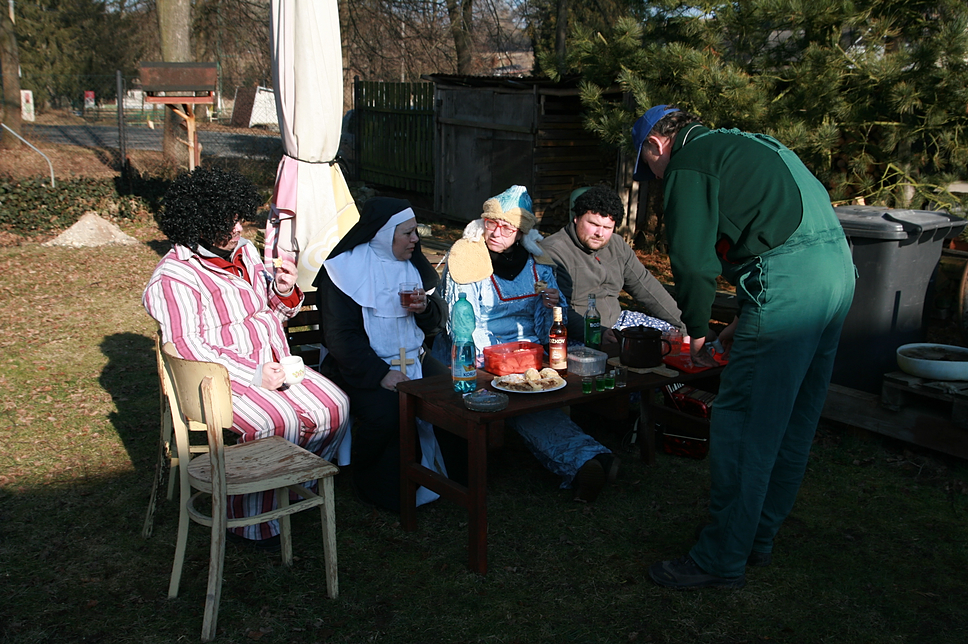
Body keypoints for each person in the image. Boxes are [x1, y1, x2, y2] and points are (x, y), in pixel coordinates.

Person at [632, 105, 855, 588]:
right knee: (793, 418)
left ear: (656, 145)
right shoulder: (746, 143)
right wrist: (740, 323)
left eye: (650, 168)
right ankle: (755, 537)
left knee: (744, 423)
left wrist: (695, 332)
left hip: (791, 285)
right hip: (837, 275)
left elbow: (693, 264)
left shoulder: (689, 162)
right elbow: (777, 232)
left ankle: (720, 559)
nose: (657, 177)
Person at [143, 166, 350, 550]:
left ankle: (287, 487)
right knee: (278, 422)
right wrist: (253, 374)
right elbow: (187, 348)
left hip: (276, 362)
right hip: (221, 380)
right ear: (198, 223)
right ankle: (249, 522)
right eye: (228, 222)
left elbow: (272, 312)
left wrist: (283, 289)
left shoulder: (245, 252)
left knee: (335, 407)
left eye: (239, 217)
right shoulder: (174, 277)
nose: (239, 228)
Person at [435, 185, 620, 502]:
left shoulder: (538, 263)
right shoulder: (466, 257)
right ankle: (588, 458)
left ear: (521, 232)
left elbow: (548, 329)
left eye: (507, 228)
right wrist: (492, 363)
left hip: (525, 353)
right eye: (491, 224)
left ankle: (587, 459)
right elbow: (462, 324)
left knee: (530, 400)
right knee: (517, 400)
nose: (496, 233)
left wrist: (551, 306)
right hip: (472, 355)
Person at [314, 197, 462, 513]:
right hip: (360, 366)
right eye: (407, 233)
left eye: (415, 231)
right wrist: (381, 373)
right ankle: (375, 485)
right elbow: (340, 338)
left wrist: (425, 309)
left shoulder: (414, 267)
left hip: (415, 357)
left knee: (454, 395)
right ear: (383, 234)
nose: (416, 239)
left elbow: (435, 324)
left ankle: (453, 476)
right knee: (389, 411)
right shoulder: (343, 271)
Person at [541, 185, 683, 345]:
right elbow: (558, 310)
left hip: (618, 322)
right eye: (593, 224)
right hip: (576, 332)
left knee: (674, 336)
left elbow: (647, 288)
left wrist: (685, 326)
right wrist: (598, 334)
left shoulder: (617, 246)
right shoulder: (554, 252)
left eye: (607, 227)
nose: (599, 233)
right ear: (577, 218)